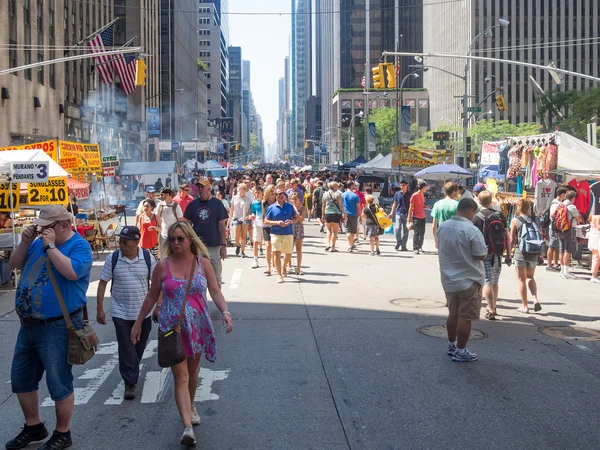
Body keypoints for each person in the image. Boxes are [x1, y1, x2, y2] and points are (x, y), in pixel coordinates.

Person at [131, 222, 233, 446]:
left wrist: (225, 311)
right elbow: (151, 297)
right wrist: (138, 323)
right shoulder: (162, 266)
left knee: (193, 373)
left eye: (180, 238)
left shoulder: (202, 263)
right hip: (172, 328)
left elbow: (215, 289)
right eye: (172, 239)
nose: (176, 243)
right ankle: (187, 426)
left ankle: (191, 404)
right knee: (181, 376)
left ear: (190, 240)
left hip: (197, 326)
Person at [7, 205, 93, 450]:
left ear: (63, 226)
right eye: (40, 226)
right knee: (21, 378)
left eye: (46, 226)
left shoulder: (79, 246)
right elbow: (14, 264)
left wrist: (51, 247)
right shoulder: (37, 243)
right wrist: (25, 242)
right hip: (29, 323)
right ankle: (33, 426)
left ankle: (62, 432)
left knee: (58, 382)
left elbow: (72, 272)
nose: (40, 230)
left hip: (58, 325)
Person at [96, 226, 157, 400]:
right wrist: (100, 308)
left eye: (125, 242)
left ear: (136, 242)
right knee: (125, 346)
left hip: (143, 312)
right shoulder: (113, 259)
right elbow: (102, 283)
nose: (121, 245)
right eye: (120, 241)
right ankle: (130, 382)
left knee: (138, 346)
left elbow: (157, 283)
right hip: (120, 311)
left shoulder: (147, 258)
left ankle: (131, 371)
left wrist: (159, 305)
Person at [437, 199, 487, 362]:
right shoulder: (471, 229)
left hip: (449, 278)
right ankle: (461, 350)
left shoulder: (443, 226)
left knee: (453, 314)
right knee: (466, 317)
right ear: (471, 211)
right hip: (469, 278)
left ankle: (452, 345)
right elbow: (481, 254)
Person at [472, 191, 512, 320]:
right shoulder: (499, 216)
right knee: (494, 280)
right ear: (491, 201)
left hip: (484, 252)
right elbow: (507, 235)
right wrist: (509, 254)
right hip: (498, 252)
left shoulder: (477, 217)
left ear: (479, 201)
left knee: (487, 280)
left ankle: (490, 309)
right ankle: (494, 306)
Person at [183, 177, 228, 286]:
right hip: (197, 247)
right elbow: (187, 226)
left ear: (209, 188)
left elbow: (222, 225)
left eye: (202, 187)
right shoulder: (193, 205)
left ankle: (218, 301)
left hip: (214, 247)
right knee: (198, 279)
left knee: (216, 278)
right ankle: (201, 302)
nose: (200, 189)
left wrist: (223, 245)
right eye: (198, 187)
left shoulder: (217, 204)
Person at [509, 198, 543, 313]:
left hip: (521, 252)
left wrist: (509, 254)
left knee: (521, 279)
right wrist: (541, 253)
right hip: (534, 252)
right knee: (531, 277)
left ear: (518, 207)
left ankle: (525, 306)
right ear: (529, 207)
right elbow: (540, 236)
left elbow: (512, 239)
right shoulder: (535, 219)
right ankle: (535, 298)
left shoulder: (515, 220)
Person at [264, 187, 298, 284]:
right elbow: (266, 221)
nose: (280, 196)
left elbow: (296, 218)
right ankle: (279, 275)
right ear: (275, 196)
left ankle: (283, 267)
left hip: (288, 232)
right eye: (278, 194)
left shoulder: (289, 206)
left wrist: (291, 221)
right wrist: (276, 222)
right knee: (276, 253)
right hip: (275, 233)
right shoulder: (271, 207)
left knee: (288, 254)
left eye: (282, 194)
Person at [557, 190, 583, 279]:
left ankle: (562, 270)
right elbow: (579, 219)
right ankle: (566, 272)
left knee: (561, 250)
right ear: (573, 198)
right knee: (567, 251)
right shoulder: (571, 207)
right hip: (569, 229)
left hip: (560, 229)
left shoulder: (560, 205)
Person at [156, 188, 185, 258]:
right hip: (163, 235)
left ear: (169, 195)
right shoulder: (160, 205)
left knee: (174, 254)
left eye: (163, 195)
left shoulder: (175, 206)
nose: (161, 196)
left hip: (173, 235)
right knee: (163, 256)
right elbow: (157, 216)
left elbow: (180, 220)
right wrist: (160, 226)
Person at [432, 182, 460, 249]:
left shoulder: (437, 204)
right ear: (454, 191)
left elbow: (434, 226)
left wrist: (435, 240)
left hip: (442, 237)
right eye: (457, 191)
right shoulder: (458, 205)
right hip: (455, 238)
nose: (458, 192)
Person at [228, 183, 252, 258]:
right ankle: (238, 245)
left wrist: (248, 216)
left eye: (244, 189)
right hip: (236, 218)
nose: (242, 190)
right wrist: (229, 219)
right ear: (238, 189)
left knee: (243, 235)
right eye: (241, 188)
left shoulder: (248, 199)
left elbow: (249, 210)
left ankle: (242, 251)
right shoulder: (234, 198)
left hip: (245, 218)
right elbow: (232, 209)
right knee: (236, 236)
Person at [546, 187, 567, 272]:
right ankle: (549, 264)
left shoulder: (559, 203)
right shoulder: (555, 204)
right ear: (562, 194)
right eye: (565, 194)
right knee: (552, 246)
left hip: (557, 228)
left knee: (556, 247)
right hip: (554, 228)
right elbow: (553, 216)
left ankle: (555, 264)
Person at [322, 181, 346, 252]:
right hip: (336, 213)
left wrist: (323, 215)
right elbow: (341, 205)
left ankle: (328, 244)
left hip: (327, 212)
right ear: (335, 187)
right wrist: (344, 213)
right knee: (335, 232)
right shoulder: (338, 194)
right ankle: (333, 247)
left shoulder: (325, 194)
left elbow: (323, 205)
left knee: (329, 230)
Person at [389, 181, 412, 251]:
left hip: (406, 214)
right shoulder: (397, 193)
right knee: (397, 229)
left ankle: (403, 245)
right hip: (398, 213)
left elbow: (412, 206)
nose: (402, 186)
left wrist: (410, 215)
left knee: (406, 231)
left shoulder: (410, 194)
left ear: (407, 185)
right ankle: (398, 242)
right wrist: (391, 213)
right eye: (401, 185)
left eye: (403, 185)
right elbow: (394, 204)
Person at [408, 181, 428, 254]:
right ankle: (415, 248)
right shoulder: (414, 195)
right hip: (416, 216)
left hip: (423, 216)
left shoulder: (422, 195)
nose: (426, 188)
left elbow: (422, 205)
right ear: (422, 187)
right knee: (417, 232)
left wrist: (426, 206)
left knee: (422, 233)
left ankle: (420, 247)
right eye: (425, 187)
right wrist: (409, 217)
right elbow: (410, 207)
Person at [342, 181, 361, 252]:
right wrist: (360, 216)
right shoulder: (355, 195)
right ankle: (351, 245)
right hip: (353, 214)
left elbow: (341, 205)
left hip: (345, 214)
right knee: (352, 231)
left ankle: (350, 244)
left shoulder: (343, 195)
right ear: (351, 186)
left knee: (347, 230)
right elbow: (358, 207)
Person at [262, 185, 276, 275]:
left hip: (276, 226)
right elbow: (263, 215)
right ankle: (268, 266)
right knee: (267, 246)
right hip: (266, 226)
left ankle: (274, 264)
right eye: (271, 192)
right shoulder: (264, 203)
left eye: (273, 192)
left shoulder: (277, 201)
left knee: (274, 247)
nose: (273, 194)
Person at [291, 192, 306, 275]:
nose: (293, 200)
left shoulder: (303, 208)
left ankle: (299, 268)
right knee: (289, 249)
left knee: (299, 249)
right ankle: (289, 265)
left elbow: (301, 219)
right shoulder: (290, 207)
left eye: (295, 199)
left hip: (299, 229)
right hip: (290, 228)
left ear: (299, 199)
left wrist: (296, 213)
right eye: (292, 199)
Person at [250, 186, 264, 269]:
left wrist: (262, 202)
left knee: (268, 244)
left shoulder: (265, 202)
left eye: (258, 192)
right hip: (257, 223)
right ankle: (255, 259)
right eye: (255, 192)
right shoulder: (254, 203)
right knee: (255, 241)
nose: (257, 194)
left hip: (266, 224)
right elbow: (253, 213)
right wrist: (252, 216)